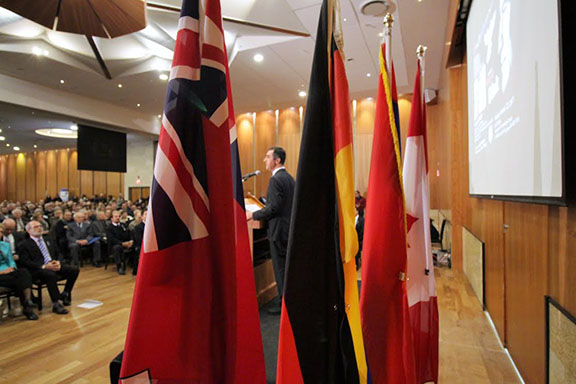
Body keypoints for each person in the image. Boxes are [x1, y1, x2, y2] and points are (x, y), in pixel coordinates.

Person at [247, 146, 295, 314]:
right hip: (287, 230)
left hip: (278, 231)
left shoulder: (276, 180)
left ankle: (284, 305)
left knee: (280, 268)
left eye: (268, 157)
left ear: (277, 160)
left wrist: (253, 214)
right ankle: (288, 302)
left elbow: (273, 207)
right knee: (286, 268)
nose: (264, 160)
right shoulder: (289, 178)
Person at [17, 221, 80, 315]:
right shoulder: (24, 244)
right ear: (28, 230)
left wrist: (58, 262)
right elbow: (25, 262)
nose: (39, 228)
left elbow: (58, 253)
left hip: (53, 264)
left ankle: (66, 293)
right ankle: (56, 303)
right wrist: (44, 266)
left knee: (74, 269)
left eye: (40, 226)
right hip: (37, 269)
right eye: (35, 227)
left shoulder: (49, 239)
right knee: (50, 274)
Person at [0, 223, 38, 320]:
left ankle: (27, 302)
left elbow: (11, 261)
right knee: (20, 281)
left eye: (0, 232)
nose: (0, 234)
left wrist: (12, 268)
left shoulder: (5, 245)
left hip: (8, 272)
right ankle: (27, 307)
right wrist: (2, 272)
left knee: (23, 272)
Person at [107, 210, 135, 275]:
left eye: (119, 216)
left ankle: (133, 264)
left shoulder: (123, 225)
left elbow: (129, 233)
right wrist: (122, 243)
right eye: (116, 216)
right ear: (112, 218)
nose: (118, 218)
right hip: (115, 244)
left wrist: (130, 241)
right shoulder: (109, 227)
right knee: (117, 248)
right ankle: (119, 266)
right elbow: (112, 239)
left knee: (135, 245)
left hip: (126, 242)